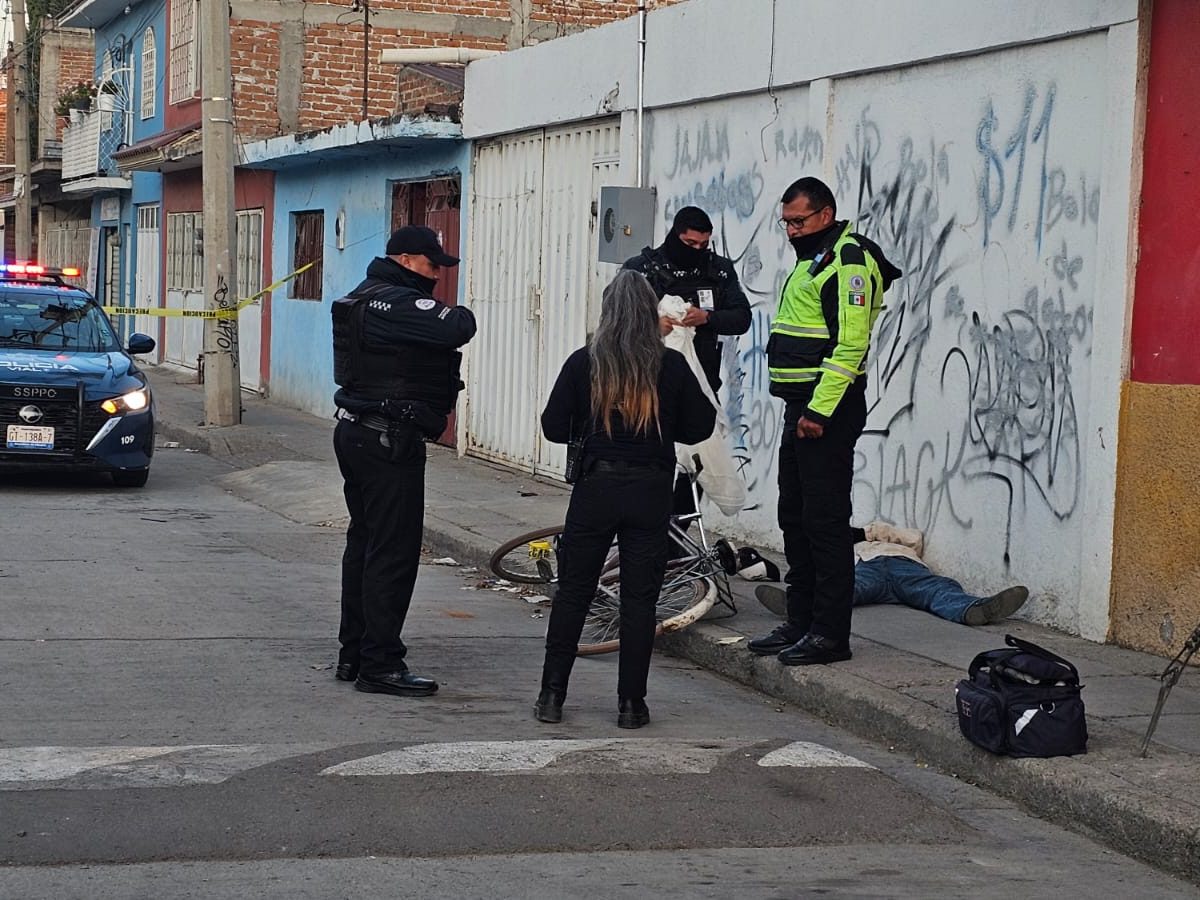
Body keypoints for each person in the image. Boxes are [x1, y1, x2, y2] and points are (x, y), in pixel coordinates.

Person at [536, 270, 716, 729]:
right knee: (640, 600)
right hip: (651, 491)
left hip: (596, 488)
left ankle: (551, 697)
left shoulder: (585, 362)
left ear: (607, 312)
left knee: (574, 592)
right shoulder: (670, 366)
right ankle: (631, 705)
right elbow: (700, 428)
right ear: (648, 313)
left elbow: (554, 426)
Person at [748, 177, 901, 666]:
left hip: (826, 410)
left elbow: (850, 345)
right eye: (786, 223)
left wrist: (819, 410)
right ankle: (801, 621)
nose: (791, 231)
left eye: (799, 221)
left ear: (826, 214)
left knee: (825, 521)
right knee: (794, 514)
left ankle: (830, 634)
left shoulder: (849, 261)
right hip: (803, 408)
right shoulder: (815, 257)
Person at [330, 225, 477, 697]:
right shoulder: (391, 301)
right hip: (387, 440)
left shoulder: (362, 296)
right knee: (391, 554)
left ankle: (354, 653)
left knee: (366, 545)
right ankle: (380, 664)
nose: (438, 275)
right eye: (434, 266)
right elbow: (459, 326)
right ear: (408, 259)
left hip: (360, 431)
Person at [623, 206, 752, 521]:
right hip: (647, 390)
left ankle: (675, 549)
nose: (696, 251)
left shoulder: (717, 271)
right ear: (674, 235)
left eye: (702, 245)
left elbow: (741, 317)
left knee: (694, 467)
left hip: (700, 387)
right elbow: (617, 321)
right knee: (648, 470)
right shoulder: (641, 270)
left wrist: (707, 318)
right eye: (689, 243)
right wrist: (653, 328)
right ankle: (644, 536)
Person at [754, 521, 1030, 626]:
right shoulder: (851, 549)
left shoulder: (892, 540)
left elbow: (913, 538)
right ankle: (798, 607)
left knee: (936, 589)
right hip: (866, 569)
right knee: (842, 590)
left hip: (903, 567)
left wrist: (868, 532)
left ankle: (974, 609)